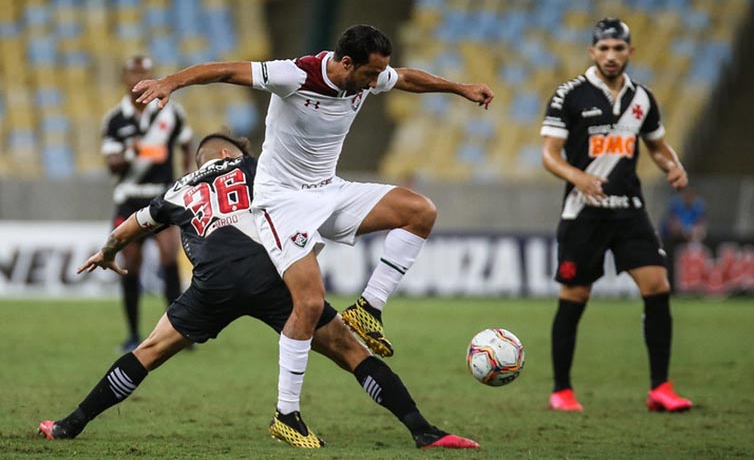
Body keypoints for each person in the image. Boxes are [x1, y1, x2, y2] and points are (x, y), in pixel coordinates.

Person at [132, 24, 494, 421]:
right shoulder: (296, 75)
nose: (376, 83)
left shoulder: (368, 78)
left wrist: (461, 88)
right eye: (370, 75)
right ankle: (287, 415)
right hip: (281, 201)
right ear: (345, 63)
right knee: (308, 303)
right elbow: (225, 70)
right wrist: (170, 82)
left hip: (329, 191)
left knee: (420, 210)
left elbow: (406, 78)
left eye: (378, 75)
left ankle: (369, 309)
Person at [38, 133, 479, 450]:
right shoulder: (258, 167)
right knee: (349, 349)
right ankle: (423, 430)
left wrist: (106, 251)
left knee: (149, 350)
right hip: (270, 272)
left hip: (213, 282)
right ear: (230, 153)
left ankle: (68, 426)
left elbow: (131, 225)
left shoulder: (175, 191)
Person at [540, 18, 693, 412]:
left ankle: (661, 388)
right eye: (604, 49)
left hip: (629, 210)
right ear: (593, 52)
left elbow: (657, 146)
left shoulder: (642, 99)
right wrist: (580, 178)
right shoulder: (569, 95)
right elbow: (549, 154)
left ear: (630, 52)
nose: (611, 56)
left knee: (658, 286)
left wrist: (671, 166)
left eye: (618, 49)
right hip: (583, 213)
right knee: (576, 294)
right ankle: (562, 390)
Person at [102, 55, 194, 351]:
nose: (139, 77)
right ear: (125, 78)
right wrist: (135, 151)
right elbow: (112, 163)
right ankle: (132, 334)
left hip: (161, 196)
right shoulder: (115, 118)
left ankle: (179, 334)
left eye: (145, 72)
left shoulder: (171, 112)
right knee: (131, 263)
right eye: (134, 72)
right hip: (130, 197)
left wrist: (189, 176)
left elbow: (186, 142)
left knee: (170, 259)